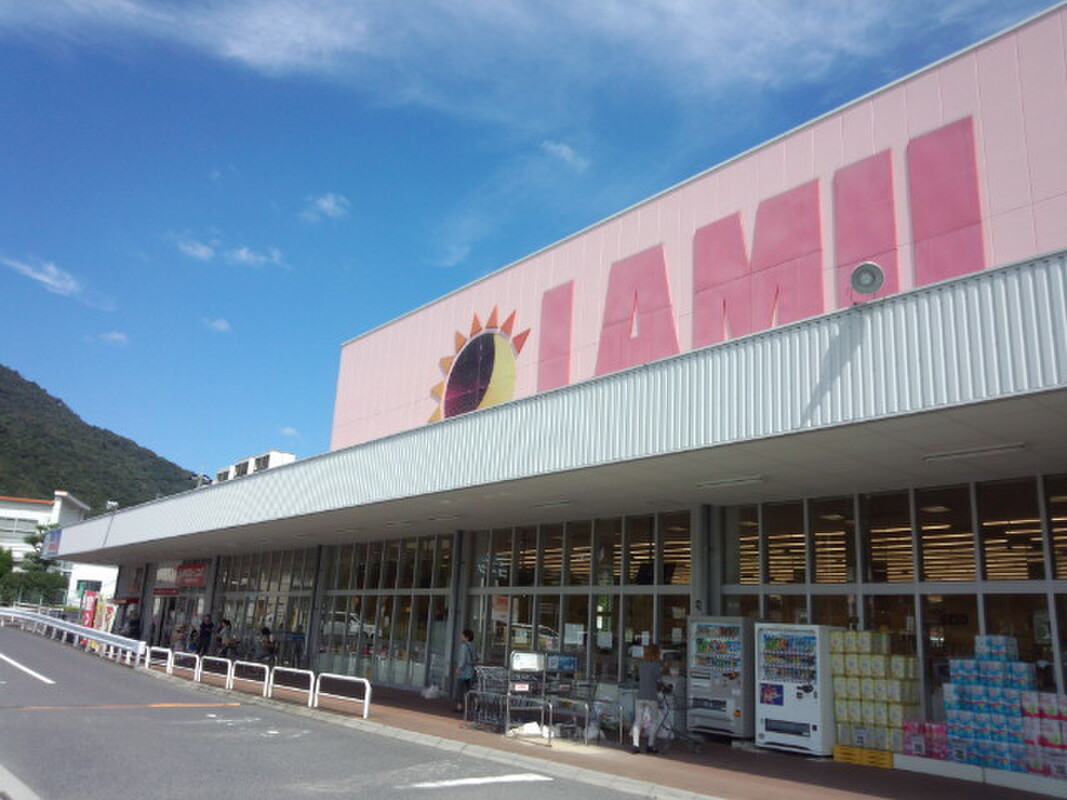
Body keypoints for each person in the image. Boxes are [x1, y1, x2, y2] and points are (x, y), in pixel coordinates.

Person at [631, 644, 661, 754]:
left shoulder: (641, 664)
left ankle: (635, 745)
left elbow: (638, 677)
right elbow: (658, 679)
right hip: (652, 696)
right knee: (654, 721)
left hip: (640, 696)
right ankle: (650, 745)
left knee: (638, 721)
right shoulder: (656, 665)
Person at [453, 628, 476, 712]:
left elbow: (462, 659)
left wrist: (459, 668)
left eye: (462, 636)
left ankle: (459, 706)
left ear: (467, 637)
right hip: (471, 670)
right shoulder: (473, 646)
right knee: (470, 688)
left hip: (464, 671)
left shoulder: (464, 646)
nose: (461, 637)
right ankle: (475, 703)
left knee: (459, 688)